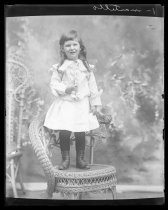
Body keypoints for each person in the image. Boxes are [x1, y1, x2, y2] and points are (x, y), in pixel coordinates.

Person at [44, 30, 102, 170]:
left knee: (80, 131)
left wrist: (95, 104)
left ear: (80, 47)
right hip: (66, 104)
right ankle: (65, 160)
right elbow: (54, 84)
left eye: (74, 44)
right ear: (62, 49)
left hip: (81, 105)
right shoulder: (59, 68)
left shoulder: (86, 67)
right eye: (68, 45)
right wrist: (66, 89)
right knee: (65, 131)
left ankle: (80, 159)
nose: (72, 48)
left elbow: (92, 87)